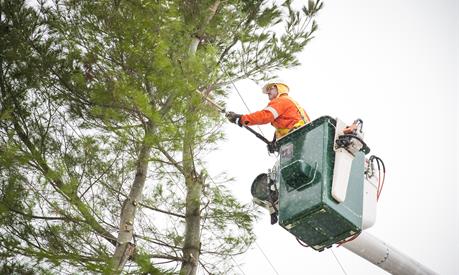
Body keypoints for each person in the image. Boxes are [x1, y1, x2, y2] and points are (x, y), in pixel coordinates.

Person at [226, 82, 311, 151]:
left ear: (279, 88)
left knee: (289, 168)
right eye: (267, 90)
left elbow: (265, 116)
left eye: (271, 88)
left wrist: (241, 119)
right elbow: (286, 125)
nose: (268, 92)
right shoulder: (291, 102)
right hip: (302, 139)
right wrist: (275, 141)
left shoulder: (281, 101)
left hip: (296, 139)